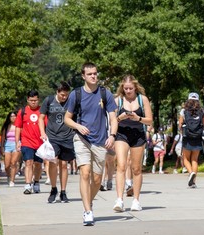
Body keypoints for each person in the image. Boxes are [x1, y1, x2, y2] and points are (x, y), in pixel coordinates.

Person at [64, 62, 118, 226]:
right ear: (83, 76)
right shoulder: (76, 94)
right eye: (90, 74)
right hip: (81, 139)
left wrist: (113, 136)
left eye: (95, 73)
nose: (94, 76)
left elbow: (114, 118)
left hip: (100, 141)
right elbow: (67, 118)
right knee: (85, 173)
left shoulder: (105, 94)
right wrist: (78, 126)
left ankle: (89, 201)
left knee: (96, 180)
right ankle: (87, 211)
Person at [113, 75, 153, 212]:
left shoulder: (143, 100)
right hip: (121, 134)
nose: (128, 91)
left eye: (130, 88)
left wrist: (138, 118)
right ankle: (119, 200)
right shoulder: (117, 100)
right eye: (125, 88)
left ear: (135, 87)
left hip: (138, 135)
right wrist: (120, 117)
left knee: (136, 168)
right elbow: (112, 121)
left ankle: (136, 200)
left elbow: (149, 120)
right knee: (121, 166)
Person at [39, 81, 75, 203]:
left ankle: (63, 191)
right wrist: (42, 133)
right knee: (53, 162)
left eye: (66, 95)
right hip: (52, 136)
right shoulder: (49, 100)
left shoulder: (71, 102)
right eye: (62, 95)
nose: (64, 97)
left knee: (64, 165)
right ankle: (53, 189)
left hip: (67, 136)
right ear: (57, 92)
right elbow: (41, 118)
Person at [15, 90, 44, 195]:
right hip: (27, 142)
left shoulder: (42, 111)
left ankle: (36, 182)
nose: (33, 102)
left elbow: (47, 126)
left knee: (38, 164)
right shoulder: (22, 111)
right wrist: (17, 141)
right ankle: (28, 184)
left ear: (38, 100)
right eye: (31, 100)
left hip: (40, 143)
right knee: (28, 162)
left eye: (35, 100)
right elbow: (18, 127)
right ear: (27, 100)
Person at [178, 92, 204, 188]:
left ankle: (191, 173)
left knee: (185, 158)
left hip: (187, 137)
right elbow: (203, 124)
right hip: (197, 137)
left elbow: (180, 124)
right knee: (195, 159)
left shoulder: (183, 111)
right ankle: (193, 182)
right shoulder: (201, 111)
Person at [0, 112, 20, 187]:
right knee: (7, 166)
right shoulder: (6, 126)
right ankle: (8, 176)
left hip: (16, 144)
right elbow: (2, 138)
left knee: (13, 163)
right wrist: (2, 147)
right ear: (9, 117)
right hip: (7, 145)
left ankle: (12, 181)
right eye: (11, 116)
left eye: (14, 116)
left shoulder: (19, 126)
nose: (13, 117)